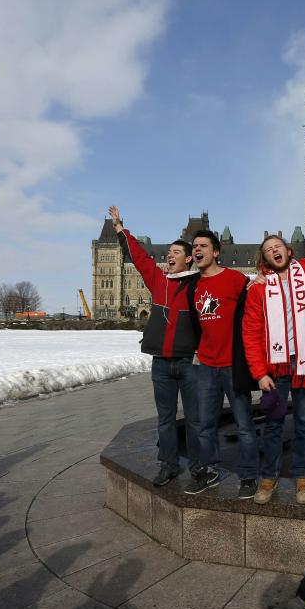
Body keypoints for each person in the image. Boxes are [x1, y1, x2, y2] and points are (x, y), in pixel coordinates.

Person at [107, 205, 200, 487]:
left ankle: (198, 467)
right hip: (161, 362)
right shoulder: (158, 281)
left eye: (175, 252)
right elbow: (141, 258)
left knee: (195, 419)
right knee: (165, 419)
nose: (169, 255)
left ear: (188, 260)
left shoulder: (198, 286)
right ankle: (168, 464)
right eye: (169, 252)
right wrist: (122, 231)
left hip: (189, 363)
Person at [241, 236, 305, 504]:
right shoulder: (259, 288)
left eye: (277, 247)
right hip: (276, 367)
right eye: (268, 250)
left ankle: (301, 476)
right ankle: (269, 476)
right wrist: (260, 373)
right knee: (274, 425)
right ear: (264, 259)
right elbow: (250, 333)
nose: (274, 251)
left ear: (288, 251)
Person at [184, 229, 260, 498]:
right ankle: (209, 471)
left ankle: (249, 475)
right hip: (205, 365)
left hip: (233, 366)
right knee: (204, 425)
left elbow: (255, 310)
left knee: (244, 425)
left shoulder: (235, 280)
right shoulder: (193, 285)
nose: (197, 250)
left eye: (203, 246)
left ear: (216, 251)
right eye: (194, 246)